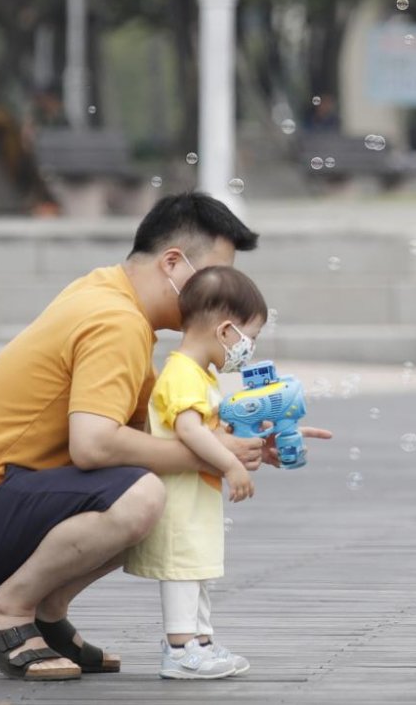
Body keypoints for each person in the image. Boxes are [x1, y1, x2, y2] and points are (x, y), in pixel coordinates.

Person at [0, 192, 332, 681]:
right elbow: (92, 445)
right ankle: (6, 611)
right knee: (143, 494)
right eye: (214, 280)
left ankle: (48, 610)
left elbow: (156, 430)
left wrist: (240, 440)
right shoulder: (116, 322)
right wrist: (210, 459)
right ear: (173, 264)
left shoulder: (106, 295)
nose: (222, 296)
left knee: (156, 485)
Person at [124, 265, 266, 681]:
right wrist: (230, 464)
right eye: (249, 338)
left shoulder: (199, 373)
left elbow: (208, 429)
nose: (249, 349)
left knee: (197, 571)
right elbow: (188, 430)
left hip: (194, 496)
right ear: (226, 332)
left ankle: (202, 641)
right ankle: (179, 647)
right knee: (183, 574)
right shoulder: (183, 372)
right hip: (178, 499)